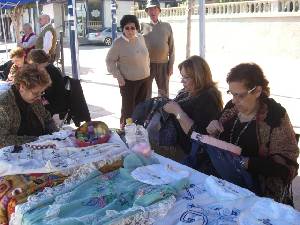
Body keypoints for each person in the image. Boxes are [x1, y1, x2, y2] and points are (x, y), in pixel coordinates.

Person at [206, 63, 299, 204]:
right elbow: (219, 142)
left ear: (257, 91)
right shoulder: (231, 109)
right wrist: (212, 132)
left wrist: (247, 163)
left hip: (258, 194)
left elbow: (286, 168)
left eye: (240, 95)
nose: (234, 100)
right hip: (224, 184)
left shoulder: (274, 116)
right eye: (231, 94)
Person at [148, 55, 223, 161]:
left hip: (186, 151)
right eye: (182, 77)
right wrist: (166, 100)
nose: (182, 81)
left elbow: (198, 135)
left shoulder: (208, 99)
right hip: (173, 140)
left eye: (186, 77)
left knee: (142, 143)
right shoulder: (190, 91)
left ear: (199, 77)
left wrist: (177, 111)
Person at [106, 15, 150, 129]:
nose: (130, 30)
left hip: (144, 79)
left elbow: (145, 56)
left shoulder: (140, 38)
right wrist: (118, 76)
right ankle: (127, 129)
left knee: (141, 107)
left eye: (133, 27)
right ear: (122, 29)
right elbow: (109, 61)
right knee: (128, 110)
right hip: (128, 82)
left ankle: (139, 128)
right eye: (127, 28)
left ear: (136, 28)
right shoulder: (118, 43)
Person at [0, 64, 58, 148]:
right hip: (16, 155)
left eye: (41, 92)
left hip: (41, 147)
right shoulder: (4, 105)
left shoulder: (34, 99)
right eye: (35, 93)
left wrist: (56, 135)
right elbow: (2, 139)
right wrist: (36, 140)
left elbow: (47, 118)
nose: (39, 97)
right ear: (22, 86)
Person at [141, 0, 175, 98]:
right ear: (147, 11)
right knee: (145, 92)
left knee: (163, 92)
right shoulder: (142, 25)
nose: (153, 11)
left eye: (155, 9)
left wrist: (171, 65)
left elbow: (172, 48)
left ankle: (164, 112)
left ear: (159, 11)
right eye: (150, 9)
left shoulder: (167, 26)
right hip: (146, 65)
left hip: (163, 64)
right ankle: (147, 111)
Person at [27, 49, 67, 116]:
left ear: (36, 63)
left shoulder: (49, 71)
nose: (31, 66)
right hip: (51, 98)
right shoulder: (45, 67)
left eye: (31, 64)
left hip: (54, 101)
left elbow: (47, 92)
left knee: (30, 107)